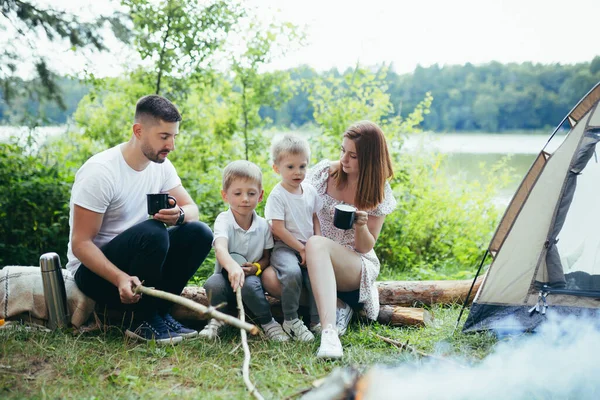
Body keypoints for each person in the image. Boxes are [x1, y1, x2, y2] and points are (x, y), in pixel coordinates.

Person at [66, 94, 214, 345]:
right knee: (154, 232)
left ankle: (160, 313)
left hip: (140, 272)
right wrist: (119, 278)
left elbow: (192, 209)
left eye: (174, 136)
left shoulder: (161, 165)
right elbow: (81, 244)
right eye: (164, 137)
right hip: (97, 277)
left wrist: (178, 216)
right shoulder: (100, 172)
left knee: (199, 232)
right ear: (138, 131)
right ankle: (141, 320)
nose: (171, 145)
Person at [261, 121, 396, 359]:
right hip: (312, 258)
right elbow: (293, 201)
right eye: (343, 150)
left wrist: (360, 225)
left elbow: (365, 246)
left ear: (370, 158)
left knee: (316, 243)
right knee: (271, 279)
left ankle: (329, 332)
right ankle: (338, 306)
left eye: (353, 155)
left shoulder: (379, 190)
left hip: (353, 264)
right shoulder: (325, 173)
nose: (344, 159)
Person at [199, 160, 289, 341]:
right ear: (225, 196)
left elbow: (266, 257)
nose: (245, 199)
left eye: (251, 193)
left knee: (250, 285)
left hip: (251, 280)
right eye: (237, 193)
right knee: (212, 284)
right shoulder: (223, 220)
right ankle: (217, 319)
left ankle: (268, 322)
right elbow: (220, 249)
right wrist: (232, 267)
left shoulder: (263, 225)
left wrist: (256, 267)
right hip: (226, 277)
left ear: (261, 195)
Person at [264, 134, 322, 342]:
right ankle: (290, 319)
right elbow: (277, 228)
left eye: (302, 166)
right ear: (276, 168)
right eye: (290, 167)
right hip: (285, 247)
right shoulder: (278, 195)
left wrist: (317, 243)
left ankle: (317, 320)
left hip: (308, 246)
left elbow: (315, 217)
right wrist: (301, 248)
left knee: (316, 275)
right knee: (292, 273)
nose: (297, 172)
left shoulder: (310, 191)